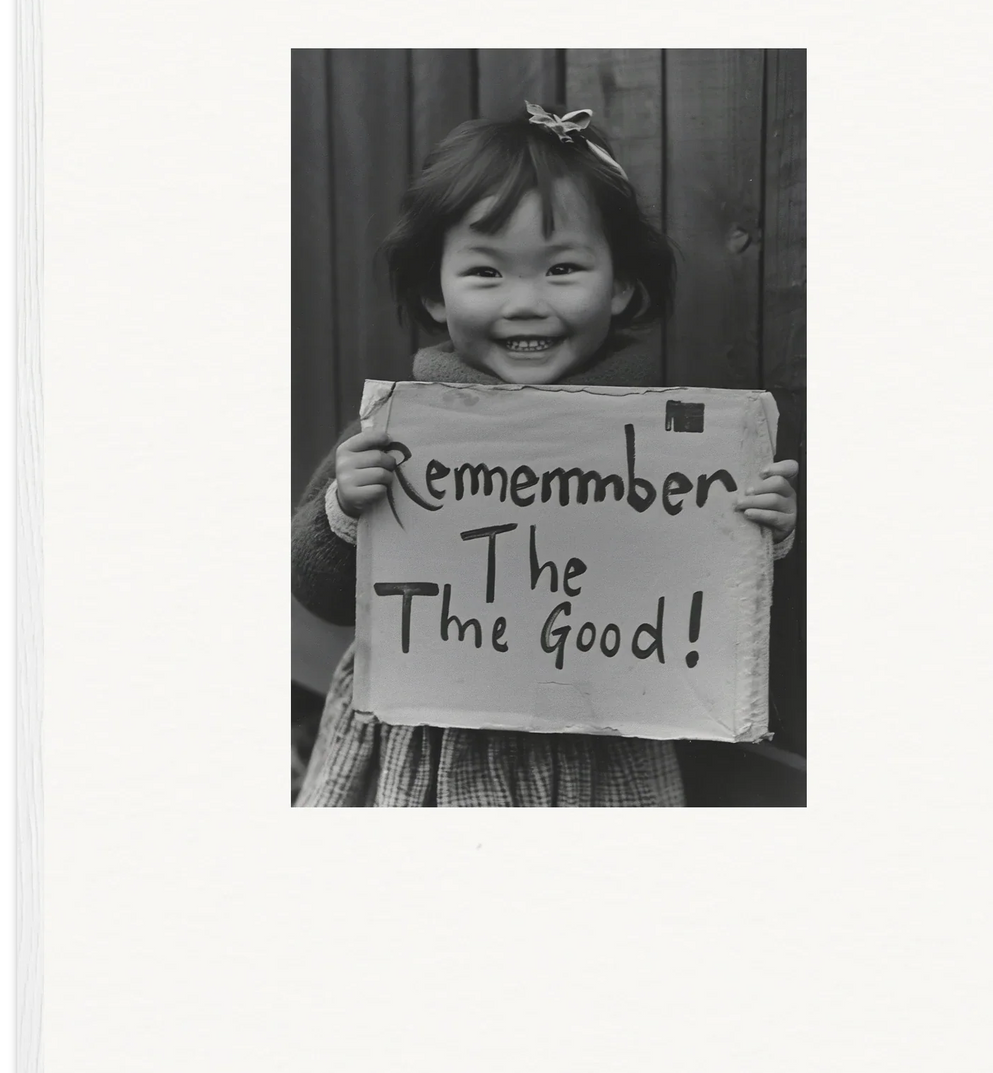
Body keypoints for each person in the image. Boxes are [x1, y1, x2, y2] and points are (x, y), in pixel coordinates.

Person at [292, 103, 798, 806]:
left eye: (561, 267)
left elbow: (699, 588)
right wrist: (344, 507)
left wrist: (757, 529)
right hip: (433, 740)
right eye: (487, 273)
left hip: (601, 742)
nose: (526, 302)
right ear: (434, 294)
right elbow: (316, 590)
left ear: (620, 284)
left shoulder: (668, 451)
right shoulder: (393, 434)